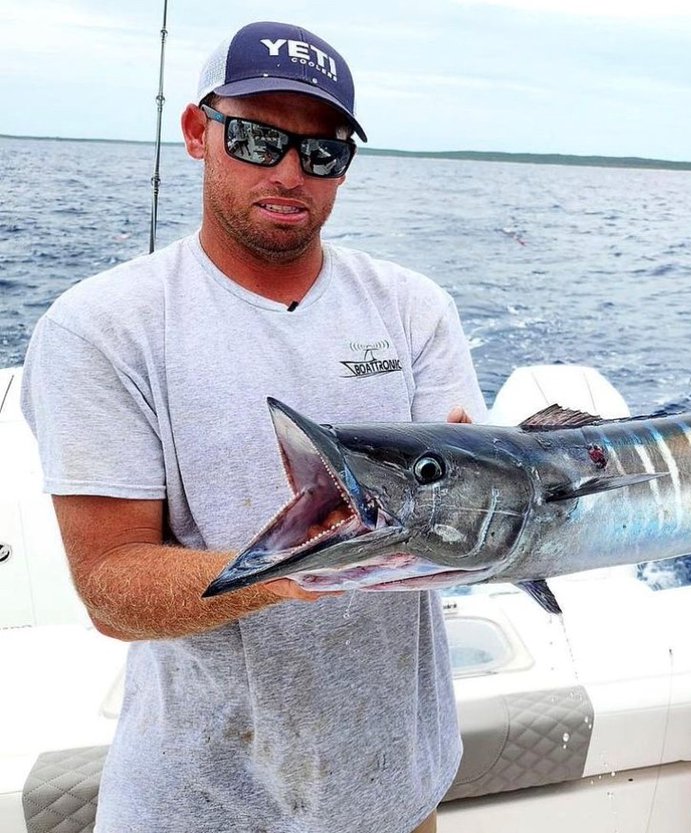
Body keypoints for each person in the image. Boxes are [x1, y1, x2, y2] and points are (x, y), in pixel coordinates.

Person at [21, 21, 485, 833]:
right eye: (256, 137)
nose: (289, 172)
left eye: (322, 152)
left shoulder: (414, 306)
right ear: (199, 132)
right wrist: (292, 569)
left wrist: (479, 518)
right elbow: (111, 590)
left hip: (397, 791)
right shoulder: (101, 326)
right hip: (198, 802)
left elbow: (461, 516)